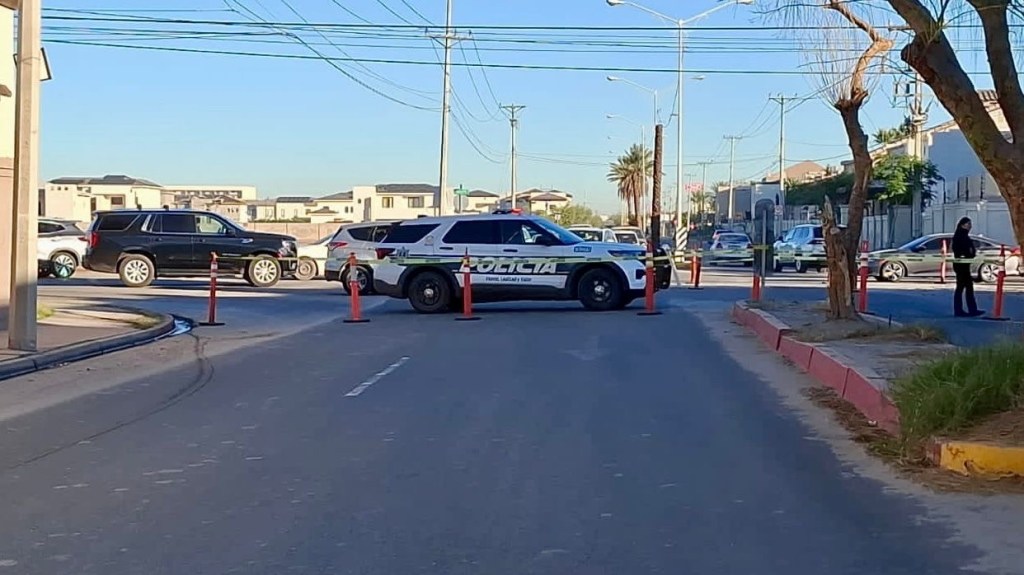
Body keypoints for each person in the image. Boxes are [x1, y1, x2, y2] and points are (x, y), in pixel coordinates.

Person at [951, 217, 984, 317]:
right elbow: (959, 250)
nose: (970, 226)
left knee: (968, 287)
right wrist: (967, 254)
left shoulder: (965, 236)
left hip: (965, 264)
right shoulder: (959, 236)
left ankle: (971, 309)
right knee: (961, 287)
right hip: (961, 265)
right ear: (962, 225)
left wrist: (971, 253)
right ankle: (960, 310)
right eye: (968, 224)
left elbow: (970, 249)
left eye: (970, 224)